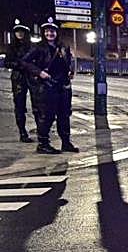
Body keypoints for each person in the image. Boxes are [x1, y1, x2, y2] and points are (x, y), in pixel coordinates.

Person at [22, 18, 78, 155]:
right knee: (47, 116)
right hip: (47, 86)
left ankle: (66, 142)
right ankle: (43, 144)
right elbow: (24, 62)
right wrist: (39, 72)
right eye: (47, 31)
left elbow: (69, 59)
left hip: (63, 85)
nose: (50, 34)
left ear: (56, 33)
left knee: (64, 115)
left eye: (52, 31)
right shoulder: (38, 47)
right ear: (43, 33)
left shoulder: (63, 47)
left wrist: (71, 70)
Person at [4, 20, 34, 143]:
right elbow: (7, 63)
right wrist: (20, 65)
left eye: (22, 31)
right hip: (18, 77)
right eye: (17, 31)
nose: (19, 33)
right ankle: (22, 132)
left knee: (37, 104)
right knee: (20, 106)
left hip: (32, 77)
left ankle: (42, 130)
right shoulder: (12, 47)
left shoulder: (32, 46)